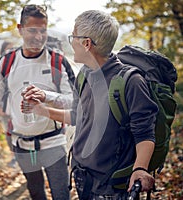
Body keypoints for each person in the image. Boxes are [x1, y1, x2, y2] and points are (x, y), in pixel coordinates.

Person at [22, 10, 158, 199]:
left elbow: (144, 132)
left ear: (86, 43)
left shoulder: (131, 81)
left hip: (111, 188)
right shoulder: (85, 74)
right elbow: (78, 116)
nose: (71, 42)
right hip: (82, 179)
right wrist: (41, 110)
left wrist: (140, 169)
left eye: (73, 37)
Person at [0, 4, 75, 200]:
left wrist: (45, 96)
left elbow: (74, 102)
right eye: (32, 30)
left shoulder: (58, 62)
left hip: (53, 142)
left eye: (43, 30)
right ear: (20, 29)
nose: (38, 36)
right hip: (22, 146)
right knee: (36, 193)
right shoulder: (6, 62)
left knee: (61, 195)